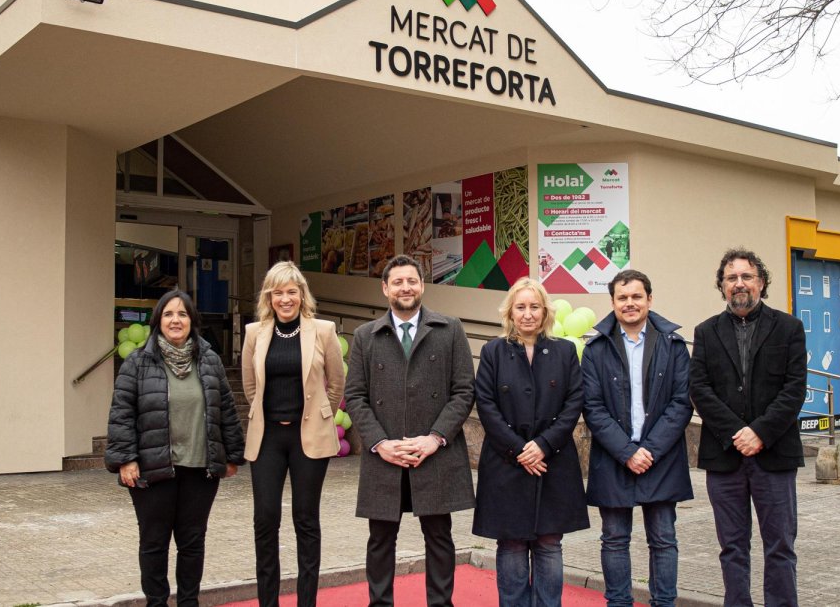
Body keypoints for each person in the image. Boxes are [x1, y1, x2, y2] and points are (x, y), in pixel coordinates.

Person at [344, 254, 476, 607]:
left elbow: (465, 391)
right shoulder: (364, 336)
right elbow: (354, 396)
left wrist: (435, 438)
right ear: (385, 289)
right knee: (380, 539)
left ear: (422, 286)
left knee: (439, 536)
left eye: (412, 281)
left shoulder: (450, 329)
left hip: (433, 454)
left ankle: (440, 603)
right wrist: (378, 443)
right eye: (398, 282)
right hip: (385, 455)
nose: (406, 287)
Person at [106, 289, 245, 607]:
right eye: (168, 314)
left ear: (192, 320)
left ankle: (188, 602)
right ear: (157, 321)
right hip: (153, 469)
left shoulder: (209, 361)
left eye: (182, 314)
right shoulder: (138, 363)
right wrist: (125, 459)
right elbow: (121, 413)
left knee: (192, 542)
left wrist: (233, 455)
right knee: (154, 543)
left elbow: (225, 408)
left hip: (200, 469)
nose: (175, 320)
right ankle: (156, 602)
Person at [689, 248, 807, 607]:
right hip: (725, 457)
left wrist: (760, 432)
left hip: (774, 455)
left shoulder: (789, 328)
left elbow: (794, 388)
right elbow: (700, 389)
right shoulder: (706, 332)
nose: (739, 283)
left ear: (762, 282)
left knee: (780, 547)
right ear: (722, 286)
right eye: (731, 278)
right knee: (732, 547)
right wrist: (737, 433)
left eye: (746, 276)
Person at [472, 277, 589, 607]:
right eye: (520, 307)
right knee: (510, 543)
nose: (527, 314)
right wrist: (520, 450)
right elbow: (486, 405)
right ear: (510, 312)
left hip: (553, 462)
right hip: (505, 462)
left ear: (545, 311)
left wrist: (543, 445)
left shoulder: (565, 351)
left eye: (534, 307)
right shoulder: (493, 351)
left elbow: (574, 402)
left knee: (550, 542)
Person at [581, 269, 693, 607]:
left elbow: (681, 402)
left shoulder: (672, 344)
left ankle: (664, 603)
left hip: (662, 456)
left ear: (649, 299)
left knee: (664, 539)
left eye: (636, 297)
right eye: (622, 298)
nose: (630, 303)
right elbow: (593, 407)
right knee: (614, 539)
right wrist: (628, 451)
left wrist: (649, 450)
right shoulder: (595, 348)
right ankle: (618, 602)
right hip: (614, 457)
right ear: (613, 302)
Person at [242, 262, 345, 606]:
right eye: (278, 292)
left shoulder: (323, 330)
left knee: (306, 519)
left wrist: (318, 415)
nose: (285, 299)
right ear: (268, 297)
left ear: (302, 295)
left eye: (291, 291)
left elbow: (335, 383)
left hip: (309, 439)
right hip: (268, 437)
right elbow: (249, 386)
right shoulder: (255, 332)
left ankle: (306, 602)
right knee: (265, 519)